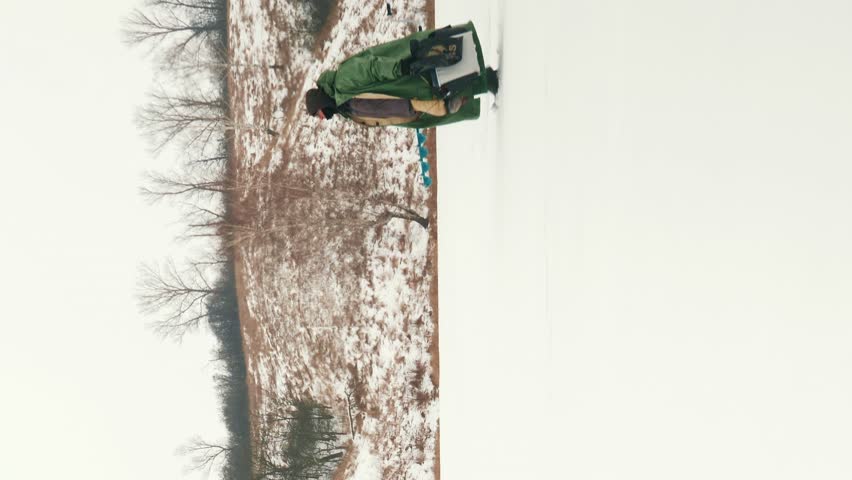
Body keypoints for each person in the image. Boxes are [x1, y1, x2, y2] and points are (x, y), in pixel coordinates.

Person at [304, 21, 499, 128]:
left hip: (402, 86)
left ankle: (486, 78)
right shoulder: (344, 109)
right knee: (445, 98)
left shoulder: (343, 79)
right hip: (406, 109)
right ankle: (484, 81)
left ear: (320, 102)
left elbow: (373, 68)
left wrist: (399, 68)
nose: (321, 118)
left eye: (317, 114)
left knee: (444, 84)